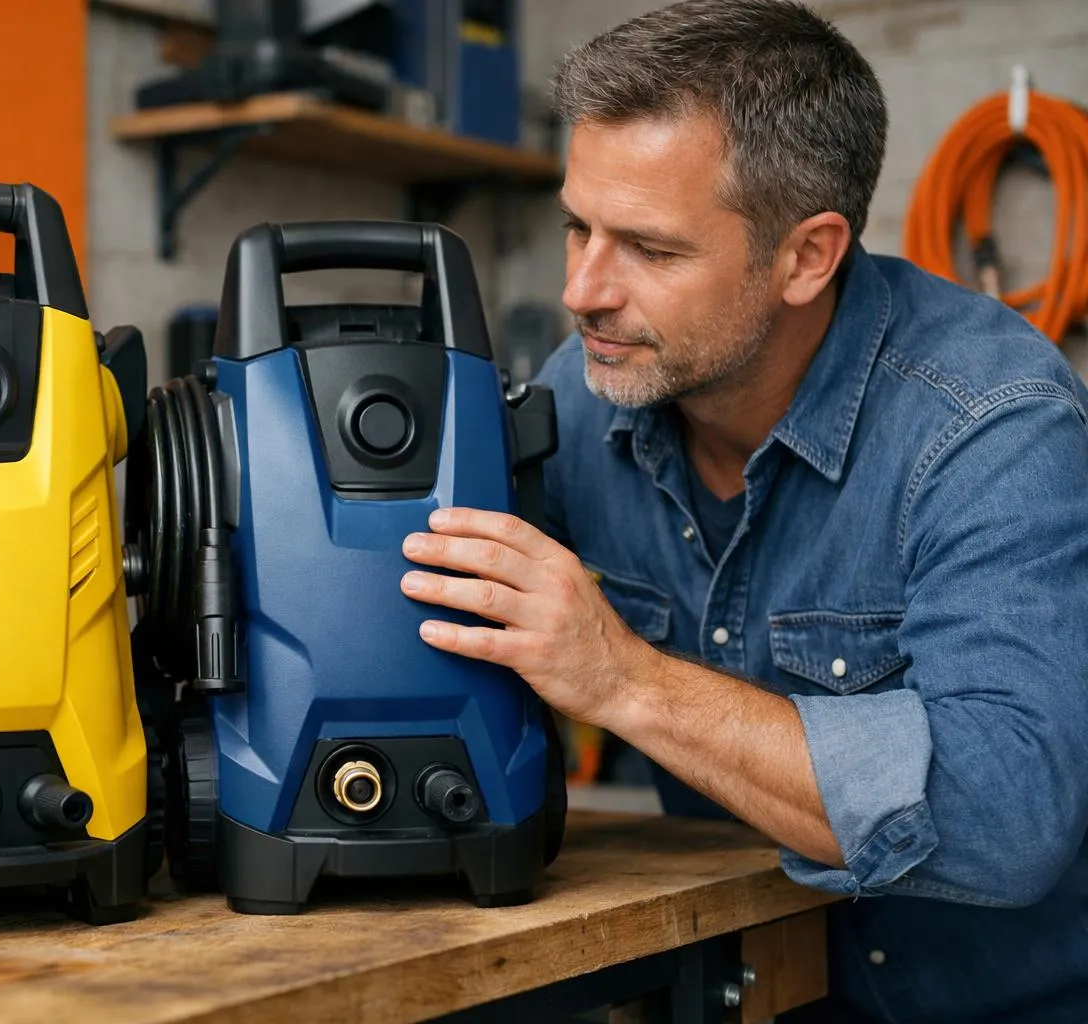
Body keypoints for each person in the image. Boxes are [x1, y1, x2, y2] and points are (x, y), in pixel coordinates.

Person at [398, 1, 1088, 1020]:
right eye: (576, 227)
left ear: (807, 255)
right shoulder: (589, 394)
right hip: (751, 991)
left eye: (650, 249)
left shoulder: (991, 427)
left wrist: (624, 678)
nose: (584, 289)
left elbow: (1005, 814)